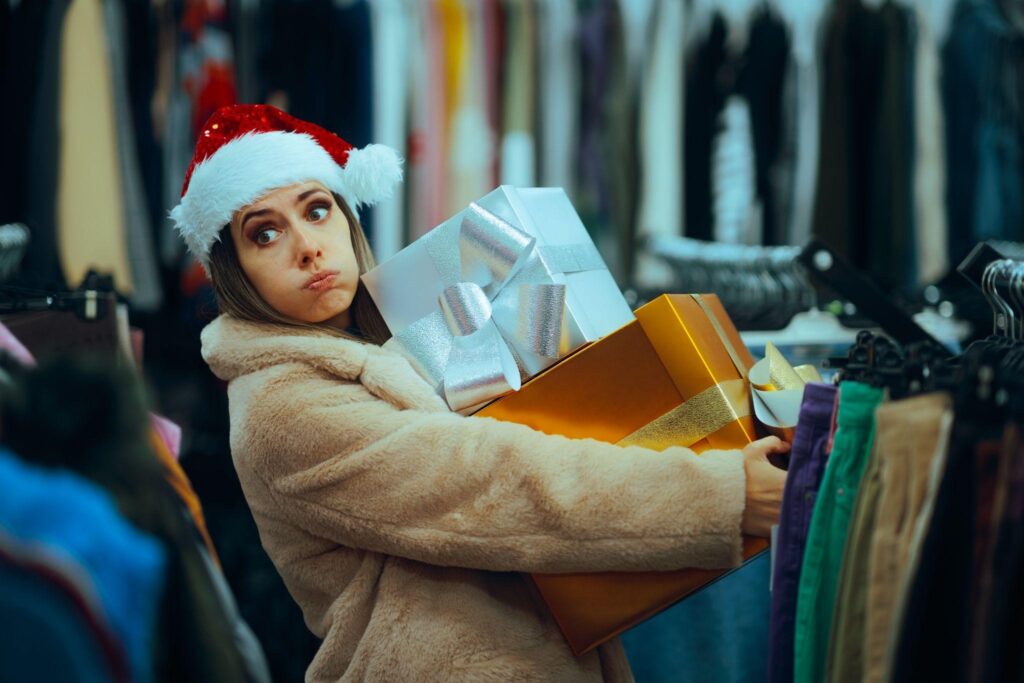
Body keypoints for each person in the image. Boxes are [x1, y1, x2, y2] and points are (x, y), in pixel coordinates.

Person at [173, 104, 788, 682]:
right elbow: (491, 479)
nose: (307, 247)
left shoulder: (397, 340)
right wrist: (720, 494)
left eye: (315, 211)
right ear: (234, 269)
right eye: (264, 234)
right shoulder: (284, 408)